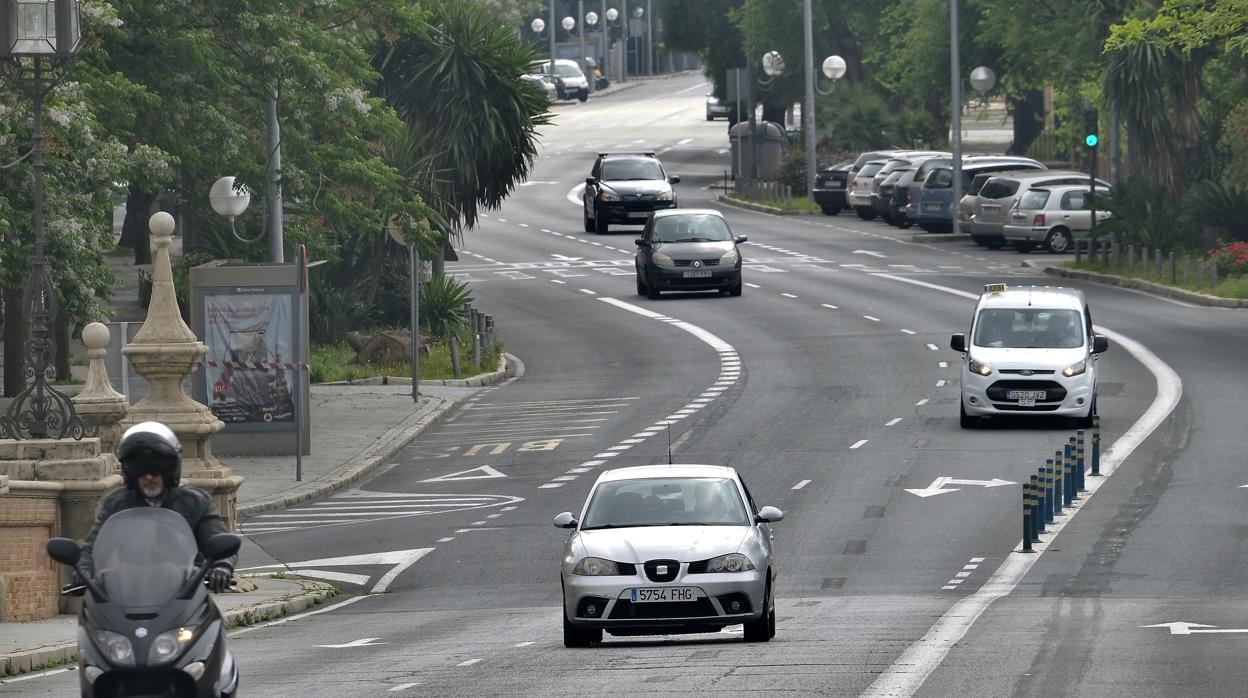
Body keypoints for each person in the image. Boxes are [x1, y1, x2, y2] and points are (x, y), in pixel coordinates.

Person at [76, 421, 236, 593]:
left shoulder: (195, 502)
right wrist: (83, 572)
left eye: (156, 469)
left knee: (209, 620)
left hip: (187, 596)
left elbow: (217, 537)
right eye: (140, 470)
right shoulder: (117, 504)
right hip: (129, 595)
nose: (149, 477)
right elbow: (95, 544)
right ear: (130, 473)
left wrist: (222, 566)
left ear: (170, 470)